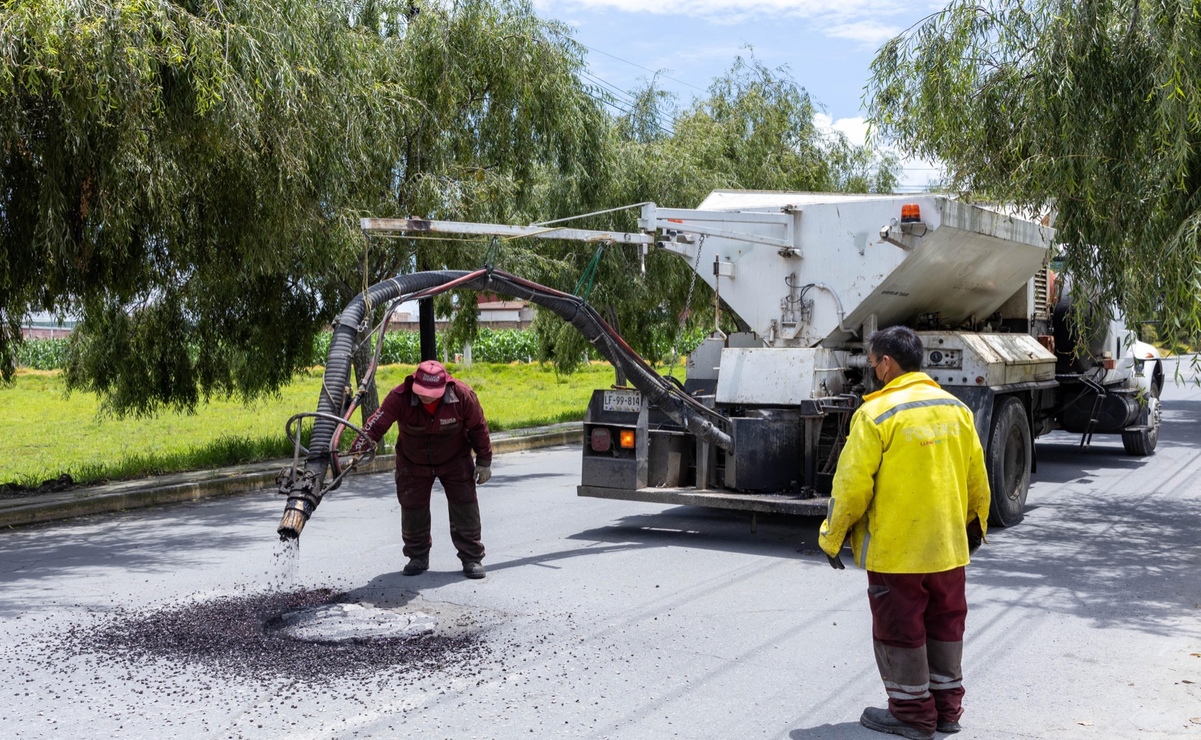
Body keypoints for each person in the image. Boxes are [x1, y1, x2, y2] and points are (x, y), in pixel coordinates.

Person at [818, 326, 990, 740]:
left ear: (887, 364)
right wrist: (974, 527)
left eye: (873, 361)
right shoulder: (957, 410)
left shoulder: (875, 414)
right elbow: (977, 481)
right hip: (948, 549)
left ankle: (913, 713)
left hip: (898, 551)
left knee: (900, 627)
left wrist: (832, 534)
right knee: (945, 623)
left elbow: (852, 486)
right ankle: (947, 710)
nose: (873, 369)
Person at [350, 359, 493, 580]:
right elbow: (375, 425)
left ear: (445, 386)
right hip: (412, 462)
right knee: (412, 508)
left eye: (431, 392)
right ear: (414, 383)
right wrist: (356, 452)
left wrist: (484, 461)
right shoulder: (399, 397)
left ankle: (471, 558)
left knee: (465, 506)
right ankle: (417, 557)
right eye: (422, 390)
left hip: (455, 459)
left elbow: (478, 427)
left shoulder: (462, 396)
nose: (425, 395)